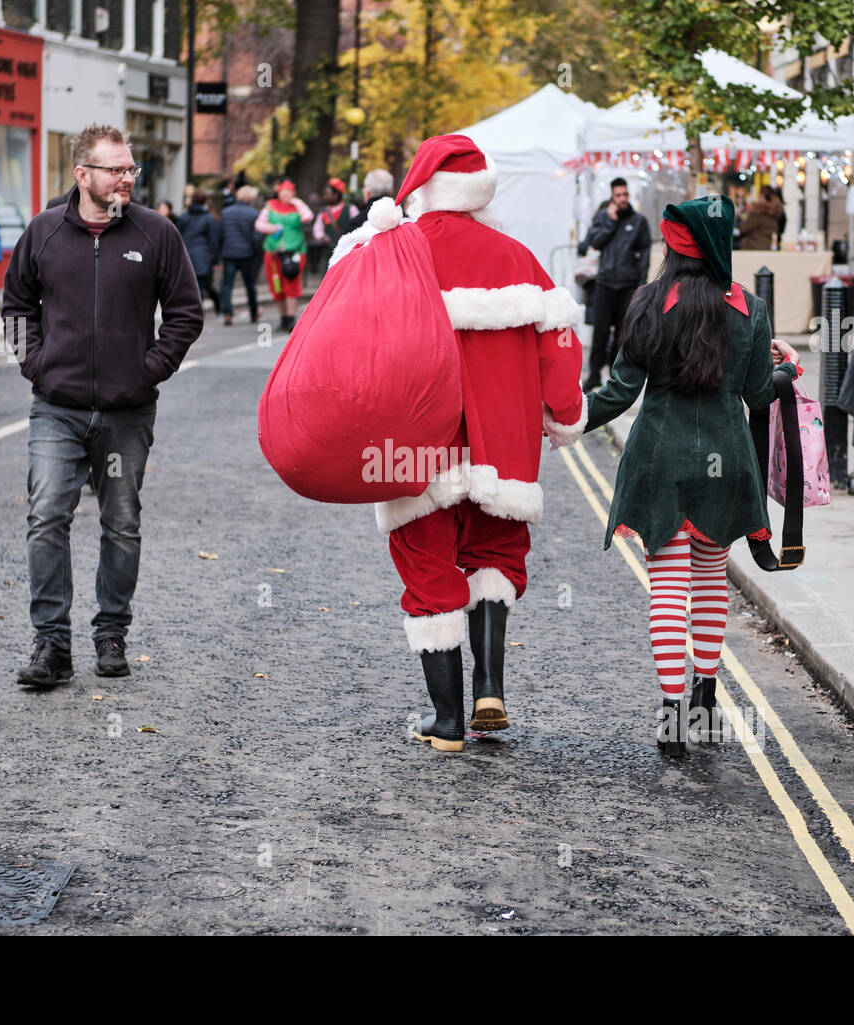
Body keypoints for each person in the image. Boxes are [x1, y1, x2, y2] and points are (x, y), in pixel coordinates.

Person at [335, 134, 585, 753]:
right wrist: (564, 413)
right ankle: (490, 691)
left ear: (419, 189)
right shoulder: (518, 257)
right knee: (496, 555)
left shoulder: (392, 251)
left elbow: (342, 340)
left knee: (427, 564)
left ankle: (446, 723)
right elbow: (559, 347)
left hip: (417, 443)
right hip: (505, 440)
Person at [580, 195, 801, 756]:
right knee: (708, 581)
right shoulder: (750, 308)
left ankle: (671, 713)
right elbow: (757, 395)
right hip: (725, 463)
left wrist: (565, 420)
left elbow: (620, 391)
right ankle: (705, 702)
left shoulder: (648, 302)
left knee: (668, 589)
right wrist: (787, 366)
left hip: (660, 458)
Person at [2, 123, 204, 688]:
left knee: (120, 523)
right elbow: (17, 308)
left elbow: (186, 314)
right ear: (82, 174)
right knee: (46, 516)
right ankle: (52, 646)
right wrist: (37, 366)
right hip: (56, 407)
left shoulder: (156, 233)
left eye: (131, 168)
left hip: (126, 411)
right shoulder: (43, 232)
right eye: (115, 169)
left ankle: (111, 633)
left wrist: (147, 371)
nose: (126, 178)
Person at [578, 178, 651, 390]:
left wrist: (641, 282)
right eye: (618, 195)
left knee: (622, 334)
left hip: (627, 285)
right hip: (605, 283)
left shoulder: (638, 221)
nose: (622, 199)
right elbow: (594, 243)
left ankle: (614, 374)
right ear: (612, 196)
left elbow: (644, 251)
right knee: (600, 332)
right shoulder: (604, 217)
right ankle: (593, 376)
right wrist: (610, 221)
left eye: (625, 195)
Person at [255, 179, 313, 332]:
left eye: (289, 192)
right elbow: (259, 225)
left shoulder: (297, 207)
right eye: (283, 192)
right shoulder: (270, 206)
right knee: (277, 285)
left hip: (295, 251)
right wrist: (272, 228)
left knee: (291, 284)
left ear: (293, 193)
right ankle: (283, 318)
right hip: (273, 253)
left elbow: (308, 217)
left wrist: (297, 202)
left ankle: (291, 318)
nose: (285, 195)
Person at [218, 184, 261, 326]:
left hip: (229, 252)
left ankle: (227, 312)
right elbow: (256, 237)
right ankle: (254, 312)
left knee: (227, 285)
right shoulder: (253, 214)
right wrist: (256, 252)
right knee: (249, 285)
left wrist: (219, 254)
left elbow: (221, 234)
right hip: (246, 254)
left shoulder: (226, 212)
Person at [175, 193, 221, 312]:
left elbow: (177, 235)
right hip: (203, 255)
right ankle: (200, 310)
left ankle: (198, 310)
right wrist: (215, 259)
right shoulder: (208, 218)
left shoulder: (184, 217)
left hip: (186, 254)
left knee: (194, 284)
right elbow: (214, 240)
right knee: (203, 284)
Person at [341, 168, 393, 233]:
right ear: (391, 191)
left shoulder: (355, 225)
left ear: (368, 193)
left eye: (364, 186)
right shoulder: (403, 219)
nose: (363, 190)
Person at [313, 177, 358, 250]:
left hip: (347, 250)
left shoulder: (351, 209)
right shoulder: (323, 211)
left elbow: (358, 228)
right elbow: (317, 229)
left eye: (327, 194)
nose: (324, 197)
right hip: (328, 252)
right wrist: (323, 237)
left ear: (335, 195)